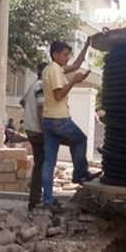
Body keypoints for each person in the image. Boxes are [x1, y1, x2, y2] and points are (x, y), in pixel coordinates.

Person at [41, 40, 99, 210]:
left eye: (68, 55)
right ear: (55, 55)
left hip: (48, 120)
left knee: (49, 162)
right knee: (80, 139)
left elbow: (75, 65)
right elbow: (59, 95)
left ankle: (48, 199)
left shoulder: (50, 69)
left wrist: (87, 45)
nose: (67, 59)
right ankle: (80, 174)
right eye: (65, 55)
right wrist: (74, 82)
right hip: (60, 119)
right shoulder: (55, 72)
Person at [20, 62, 48, 211]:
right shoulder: (42, 86)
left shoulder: (33, 85)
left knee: (40, 163)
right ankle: (36, 199)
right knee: (42, 164)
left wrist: (28, 116)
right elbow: (41, 109)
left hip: (30, 129)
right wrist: (45, 131)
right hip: (39, 131)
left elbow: (23, 102)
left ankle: (37, 197)